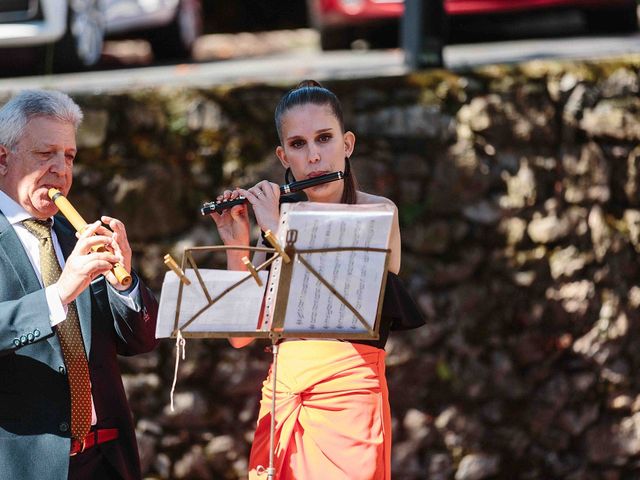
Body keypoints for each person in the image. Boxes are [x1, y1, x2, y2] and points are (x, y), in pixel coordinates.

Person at [210, 80, 424, 480]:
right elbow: (239, 337)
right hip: (283, 398)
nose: (313, 156)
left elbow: (340, 298)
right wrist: (236, 243)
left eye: (324, 139)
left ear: (347, 143)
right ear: (283, 155)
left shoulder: (379, 213)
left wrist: (276, 230)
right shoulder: (276, 219)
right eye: (298, 144)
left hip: (349, 402)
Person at [0, 89, 158, 480]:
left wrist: (127, 285)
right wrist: (59, 293)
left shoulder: (75, 234)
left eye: (68, 156)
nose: (61, 169)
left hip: (104, 460)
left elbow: (142, 341)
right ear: (3, 158)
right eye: (45, 154)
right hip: (25, 467)